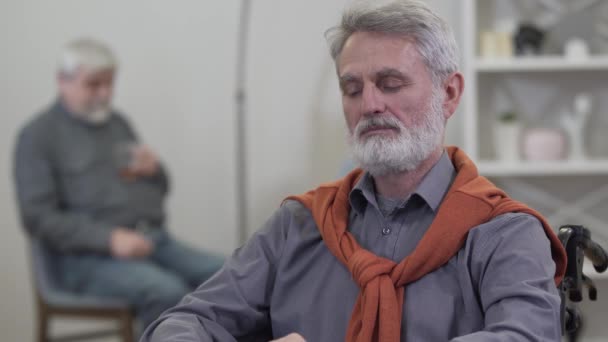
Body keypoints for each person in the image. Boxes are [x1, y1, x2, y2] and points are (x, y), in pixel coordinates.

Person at [142, 1, 567, 341]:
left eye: (391, 83)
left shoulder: (504, 231)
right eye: (352, 89)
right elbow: (187, 321)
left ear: (449, 93)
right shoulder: (299, 224)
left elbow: (524, 335)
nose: (369, 105)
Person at [13, 38, 224, 332]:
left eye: (110, 84)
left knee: (231, 276)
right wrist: (109, 239)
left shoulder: (117, 125)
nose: (105, 94)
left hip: (153, 241)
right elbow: (38, 218)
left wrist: (155, 172)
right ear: (63, 81)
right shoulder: (37, 137)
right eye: (94, 84)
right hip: (86, 259)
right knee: (165, 292)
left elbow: (159, 191)